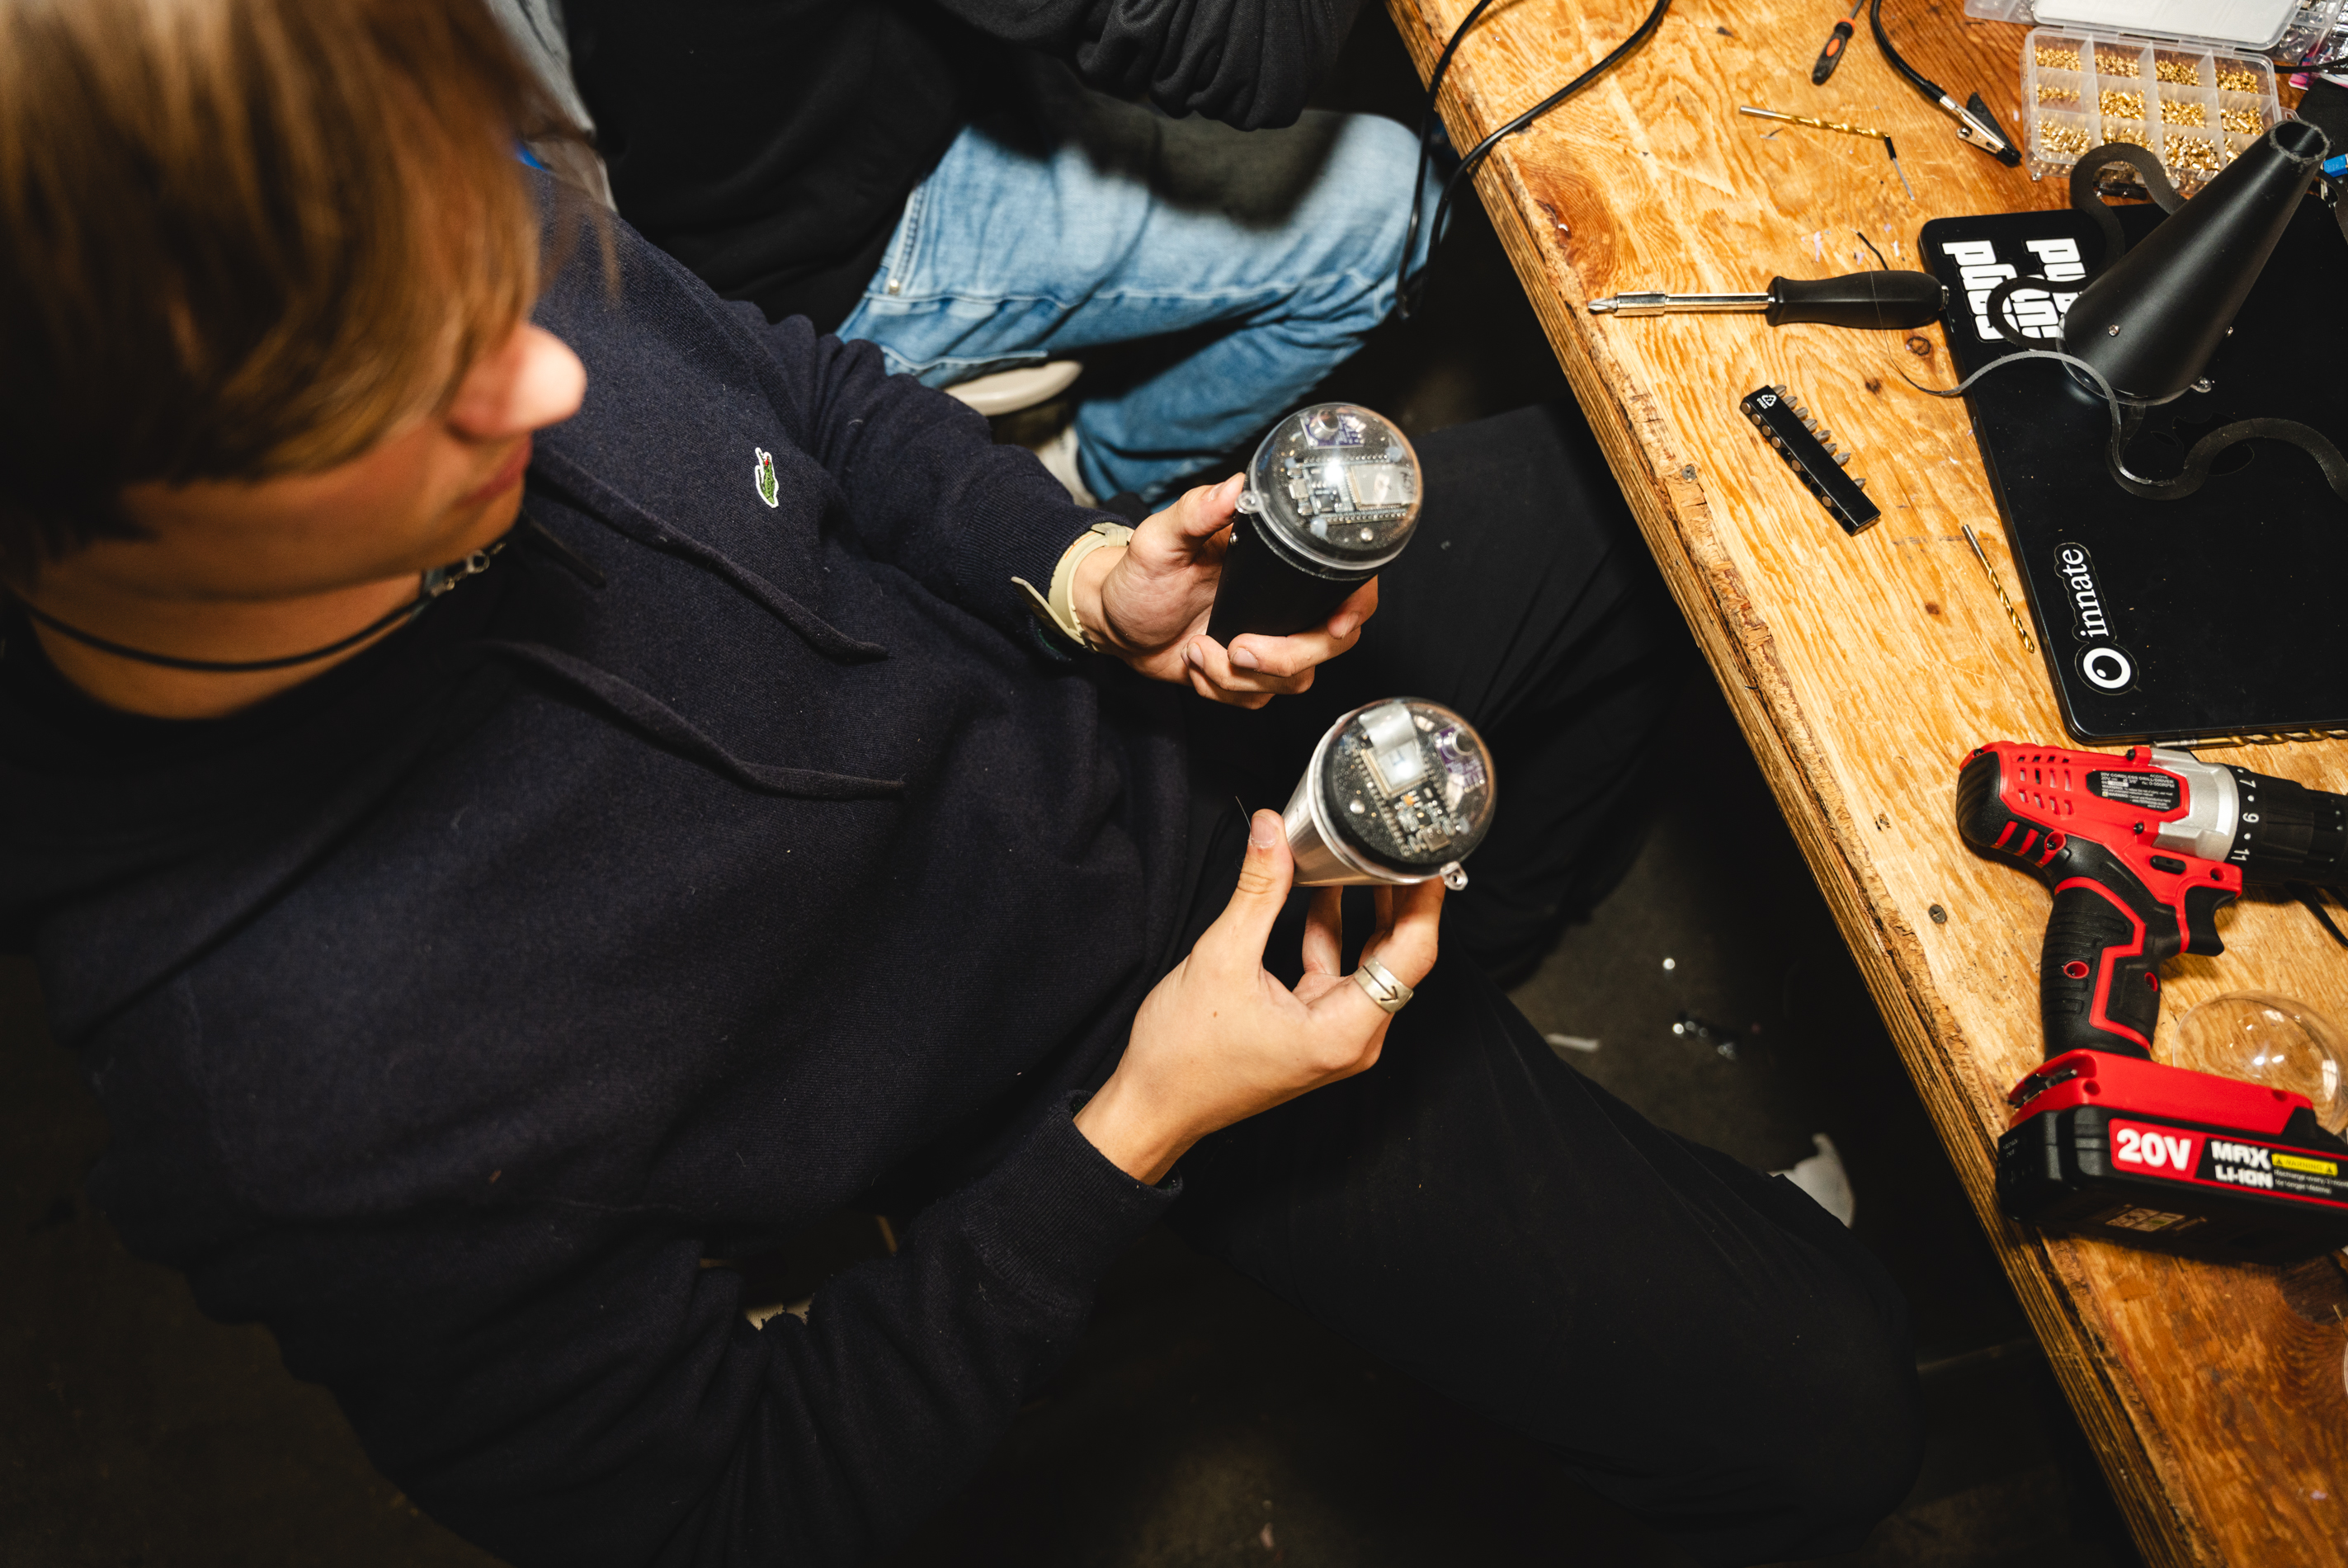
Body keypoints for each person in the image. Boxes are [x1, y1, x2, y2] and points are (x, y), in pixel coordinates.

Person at [0, 2, 1924, 1566]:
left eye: (496, 268)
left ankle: (1461, 974)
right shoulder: (285, 1099)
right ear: (111, 505)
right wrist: (1139, 1122)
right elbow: (725, 1498)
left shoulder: (383, 224)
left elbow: (807, 394)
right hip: (1086, 1044)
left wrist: (1077, 578)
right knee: (1837, 1412)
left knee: (1667, 508)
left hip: (1106, 707)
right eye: (415, 386)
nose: (550, 380)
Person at [555, 0, 1433, 503]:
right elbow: (1254, 59)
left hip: (817, 101)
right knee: (1396, 203)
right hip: (818, 247)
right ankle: (1089, 475)